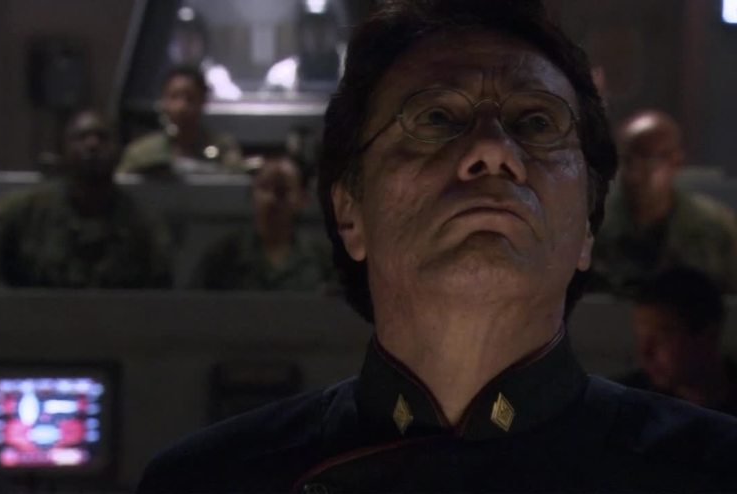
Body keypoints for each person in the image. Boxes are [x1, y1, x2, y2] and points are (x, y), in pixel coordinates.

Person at [138, 1, 737, 492]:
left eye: (536, 123)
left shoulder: (712, 471)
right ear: (350, 211)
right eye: (435, 120)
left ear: (588, 225)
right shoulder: (213, 480)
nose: (492, 150)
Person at [0, 110, 172, 289]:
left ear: (120, 150)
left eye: (103, 137)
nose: (92, 145)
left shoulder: (142, 224)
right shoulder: (24, 212)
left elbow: (160, 295)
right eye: (81, 137)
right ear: (63, 150)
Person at [592, 110, 737, 295]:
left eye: (648, 161)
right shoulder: (592, 227)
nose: (634, 175)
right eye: (627, 161)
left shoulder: (714, 229)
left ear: (675, 162)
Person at [188, 149, 333, 291]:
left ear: (302, 199)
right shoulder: (223, 256)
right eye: (264, 187)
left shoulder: (322, 260)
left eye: (281, 190)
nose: (270, 199)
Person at [619, 267, 737, 416]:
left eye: (661, 339)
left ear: (708, 336)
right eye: (641, 338)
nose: (645, 353)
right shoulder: (627, 402)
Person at [118, 66, 242, 178]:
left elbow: (236, 183)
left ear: (203, 102)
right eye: (174, 97)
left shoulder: (223, 148)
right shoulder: (141, 153)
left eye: (190, 98)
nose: (181, 107)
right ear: (163, 102)